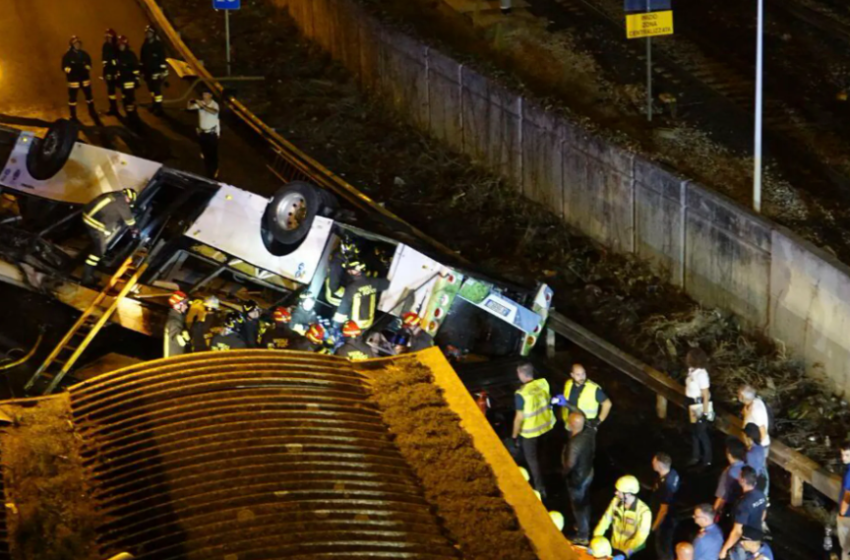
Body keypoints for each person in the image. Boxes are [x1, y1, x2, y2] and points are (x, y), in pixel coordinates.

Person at [511, 362, 555, 498]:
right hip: (547, 425)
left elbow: (519, 418)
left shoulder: (521, 394)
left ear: (521, 375)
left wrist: (514, 436)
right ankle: (548, 472)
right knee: (543, 453)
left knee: (532, 460)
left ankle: (540, 488)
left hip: (530, 432)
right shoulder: (543, 383)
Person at [81, 188, 138, 286]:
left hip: (88, 216)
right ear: (129, 198)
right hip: (95, 223)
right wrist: (135, 229)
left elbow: (111, 214)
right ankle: (86, 277)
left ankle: (90, 271)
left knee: (99, 243)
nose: (128, 204)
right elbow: (129, 219)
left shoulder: (113, 195)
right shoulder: (121, 201)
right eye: (129, 202)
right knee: (99, 250)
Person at [593, 475, 652, 557]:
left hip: (633, 552)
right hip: (616, 547)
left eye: (619, 491)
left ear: (628, 494)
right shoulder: (616, 501)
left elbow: (640, 537)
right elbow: (605, 520)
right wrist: (596, 538)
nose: (616, 493)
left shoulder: (644, 512)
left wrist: (626, 553)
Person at [719, 467, 767, 560]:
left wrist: (724, 550)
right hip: (757, 535)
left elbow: (737, 531)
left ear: (743, 480)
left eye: (739, 476)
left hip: (746, 541)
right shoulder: (761, 495)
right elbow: (763, 513)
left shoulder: (744, 503)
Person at [563, 411, 595, 545]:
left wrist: (563, 474)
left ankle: (583, 535)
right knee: (585, 501)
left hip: (577, 480)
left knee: (577, 506)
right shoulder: (589, 432)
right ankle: (584, 523)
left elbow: (569, 465)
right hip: (588, 473)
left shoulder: (573, 445)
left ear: (571, 425)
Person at [552, 363, 612, 432]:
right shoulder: (568, 384)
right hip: (569, 425)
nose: (582, 377)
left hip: (585, 428)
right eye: (578, 375)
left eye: (583, 374)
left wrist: (598, 420)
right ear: (572, 375)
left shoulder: (593, 389)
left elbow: (607, 404)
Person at [332, 261, 390, 330]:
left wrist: (336, 325)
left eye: (350, 271)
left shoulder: (352, 288)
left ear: (353, 272)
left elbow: (344, 307)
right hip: (369, 322)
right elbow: (387, 284)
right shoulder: (373, 282)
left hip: (354, 325)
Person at [738, 385, 771, 491]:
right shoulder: (753, 403)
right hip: (753, 442)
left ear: (744, 397)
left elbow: (762, 430)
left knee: (760, 470)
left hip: (758, 445)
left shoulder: (757, 410)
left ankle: (762, 492)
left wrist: (757, 445)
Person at [685, 348, 713, 468]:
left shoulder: (701, 374)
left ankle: (707, 459)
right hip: (691, 403)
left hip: (698, 405)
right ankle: (695, 455)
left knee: (701, 432)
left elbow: (706, 395)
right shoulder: (691, 371)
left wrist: (705, 413)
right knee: (694, 432)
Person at [651, 452, 681, 560]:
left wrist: (654, 526)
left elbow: (663, 510)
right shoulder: (673, 473)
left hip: (666, 522)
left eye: (654, 461)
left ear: (659, 465)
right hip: (673, 515)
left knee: (663, 547)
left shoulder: (665, 486)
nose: (652, 463)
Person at [62, 36, 97, 122]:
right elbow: (64, 67)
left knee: (89, 97)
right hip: (74, 81)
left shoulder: (85, 54)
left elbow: (89, 65)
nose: (77, 45)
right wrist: (74, 70)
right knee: (72, 99)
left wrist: (84, 68)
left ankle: (92, 111)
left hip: (85, 80)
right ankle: (73, 115)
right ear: (72, 45)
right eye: (75, 44)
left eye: (78, 44)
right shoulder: (67, 56)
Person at [187, 90, 221, 178]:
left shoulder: (214, 104)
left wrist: (203, 106)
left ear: (211, 96)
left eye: (206, 94)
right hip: (202, 133)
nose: (204, 96)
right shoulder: (201, 103)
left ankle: (214, 171)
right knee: (205, 152)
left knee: (212, 153)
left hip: (211, 134)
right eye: (203, 94)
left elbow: (214, 112)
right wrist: (189, 101)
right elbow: (189, 108)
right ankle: (207, 169)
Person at [714, 438, 747, 520]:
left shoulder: (728, 473)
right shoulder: (748, 466)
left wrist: (713, 517)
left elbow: (721, 498)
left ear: (729, 454)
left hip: (732, 506)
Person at [140, 25, 168, 115]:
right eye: (147, 32)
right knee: (151, 90)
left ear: (153, 34)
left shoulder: (158, 45)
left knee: (157, 90)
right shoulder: (145, 44)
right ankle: (154, 105)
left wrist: (162, 71)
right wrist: (142, 71)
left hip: (156, 71)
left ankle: (159, 108)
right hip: (148, 71)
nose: (148, 34)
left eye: (149, 33)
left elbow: (162, 59)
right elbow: (142, 58)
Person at [116, 35, 142, 124]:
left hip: (129, 81)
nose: (120, 47)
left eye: (122, 45)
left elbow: (135, 68)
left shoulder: (130, 55)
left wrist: (136, 79)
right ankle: (129, 113)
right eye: (119, 45)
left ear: (125, 45)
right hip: (123, 81)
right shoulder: (118, 55)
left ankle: (132, 115)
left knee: (129, 99)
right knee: (125, 98)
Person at [742, 423, 767, 495]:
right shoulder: (760, 447)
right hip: (762, 478)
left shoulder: (750, 454)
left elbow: (750, 472)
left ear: (749, 437)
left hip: (754, 483)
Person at [164, 291, 190, 357]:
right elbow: (178, 342)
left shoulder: (177, 320)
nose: (186, 307)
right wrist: (186, 338)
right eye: (185, 304)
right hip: (173, 362)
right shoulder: (174, 321)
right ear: (177, 305)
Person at [102, 29, 121, 116]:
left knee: (124, 90)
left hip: (117, 71)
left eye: (110, 37)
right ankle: (113, 108)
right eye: (107, 37)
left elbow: (119, 58)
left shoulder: (116, 46)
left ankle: (129, 107)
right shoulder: (105, 46)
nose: (108, 39)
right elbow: (104, 59)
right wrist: (105, 73)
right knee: (111, 91)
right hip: (109, 71)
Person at [838, 440, 850, 560]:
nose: (843, 458)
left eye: (847, 455)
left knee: (846, 549)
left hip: (847, 516)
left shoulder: (849, 474)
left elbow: (847, 496)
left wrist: (842, 513)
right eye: (842, 454)